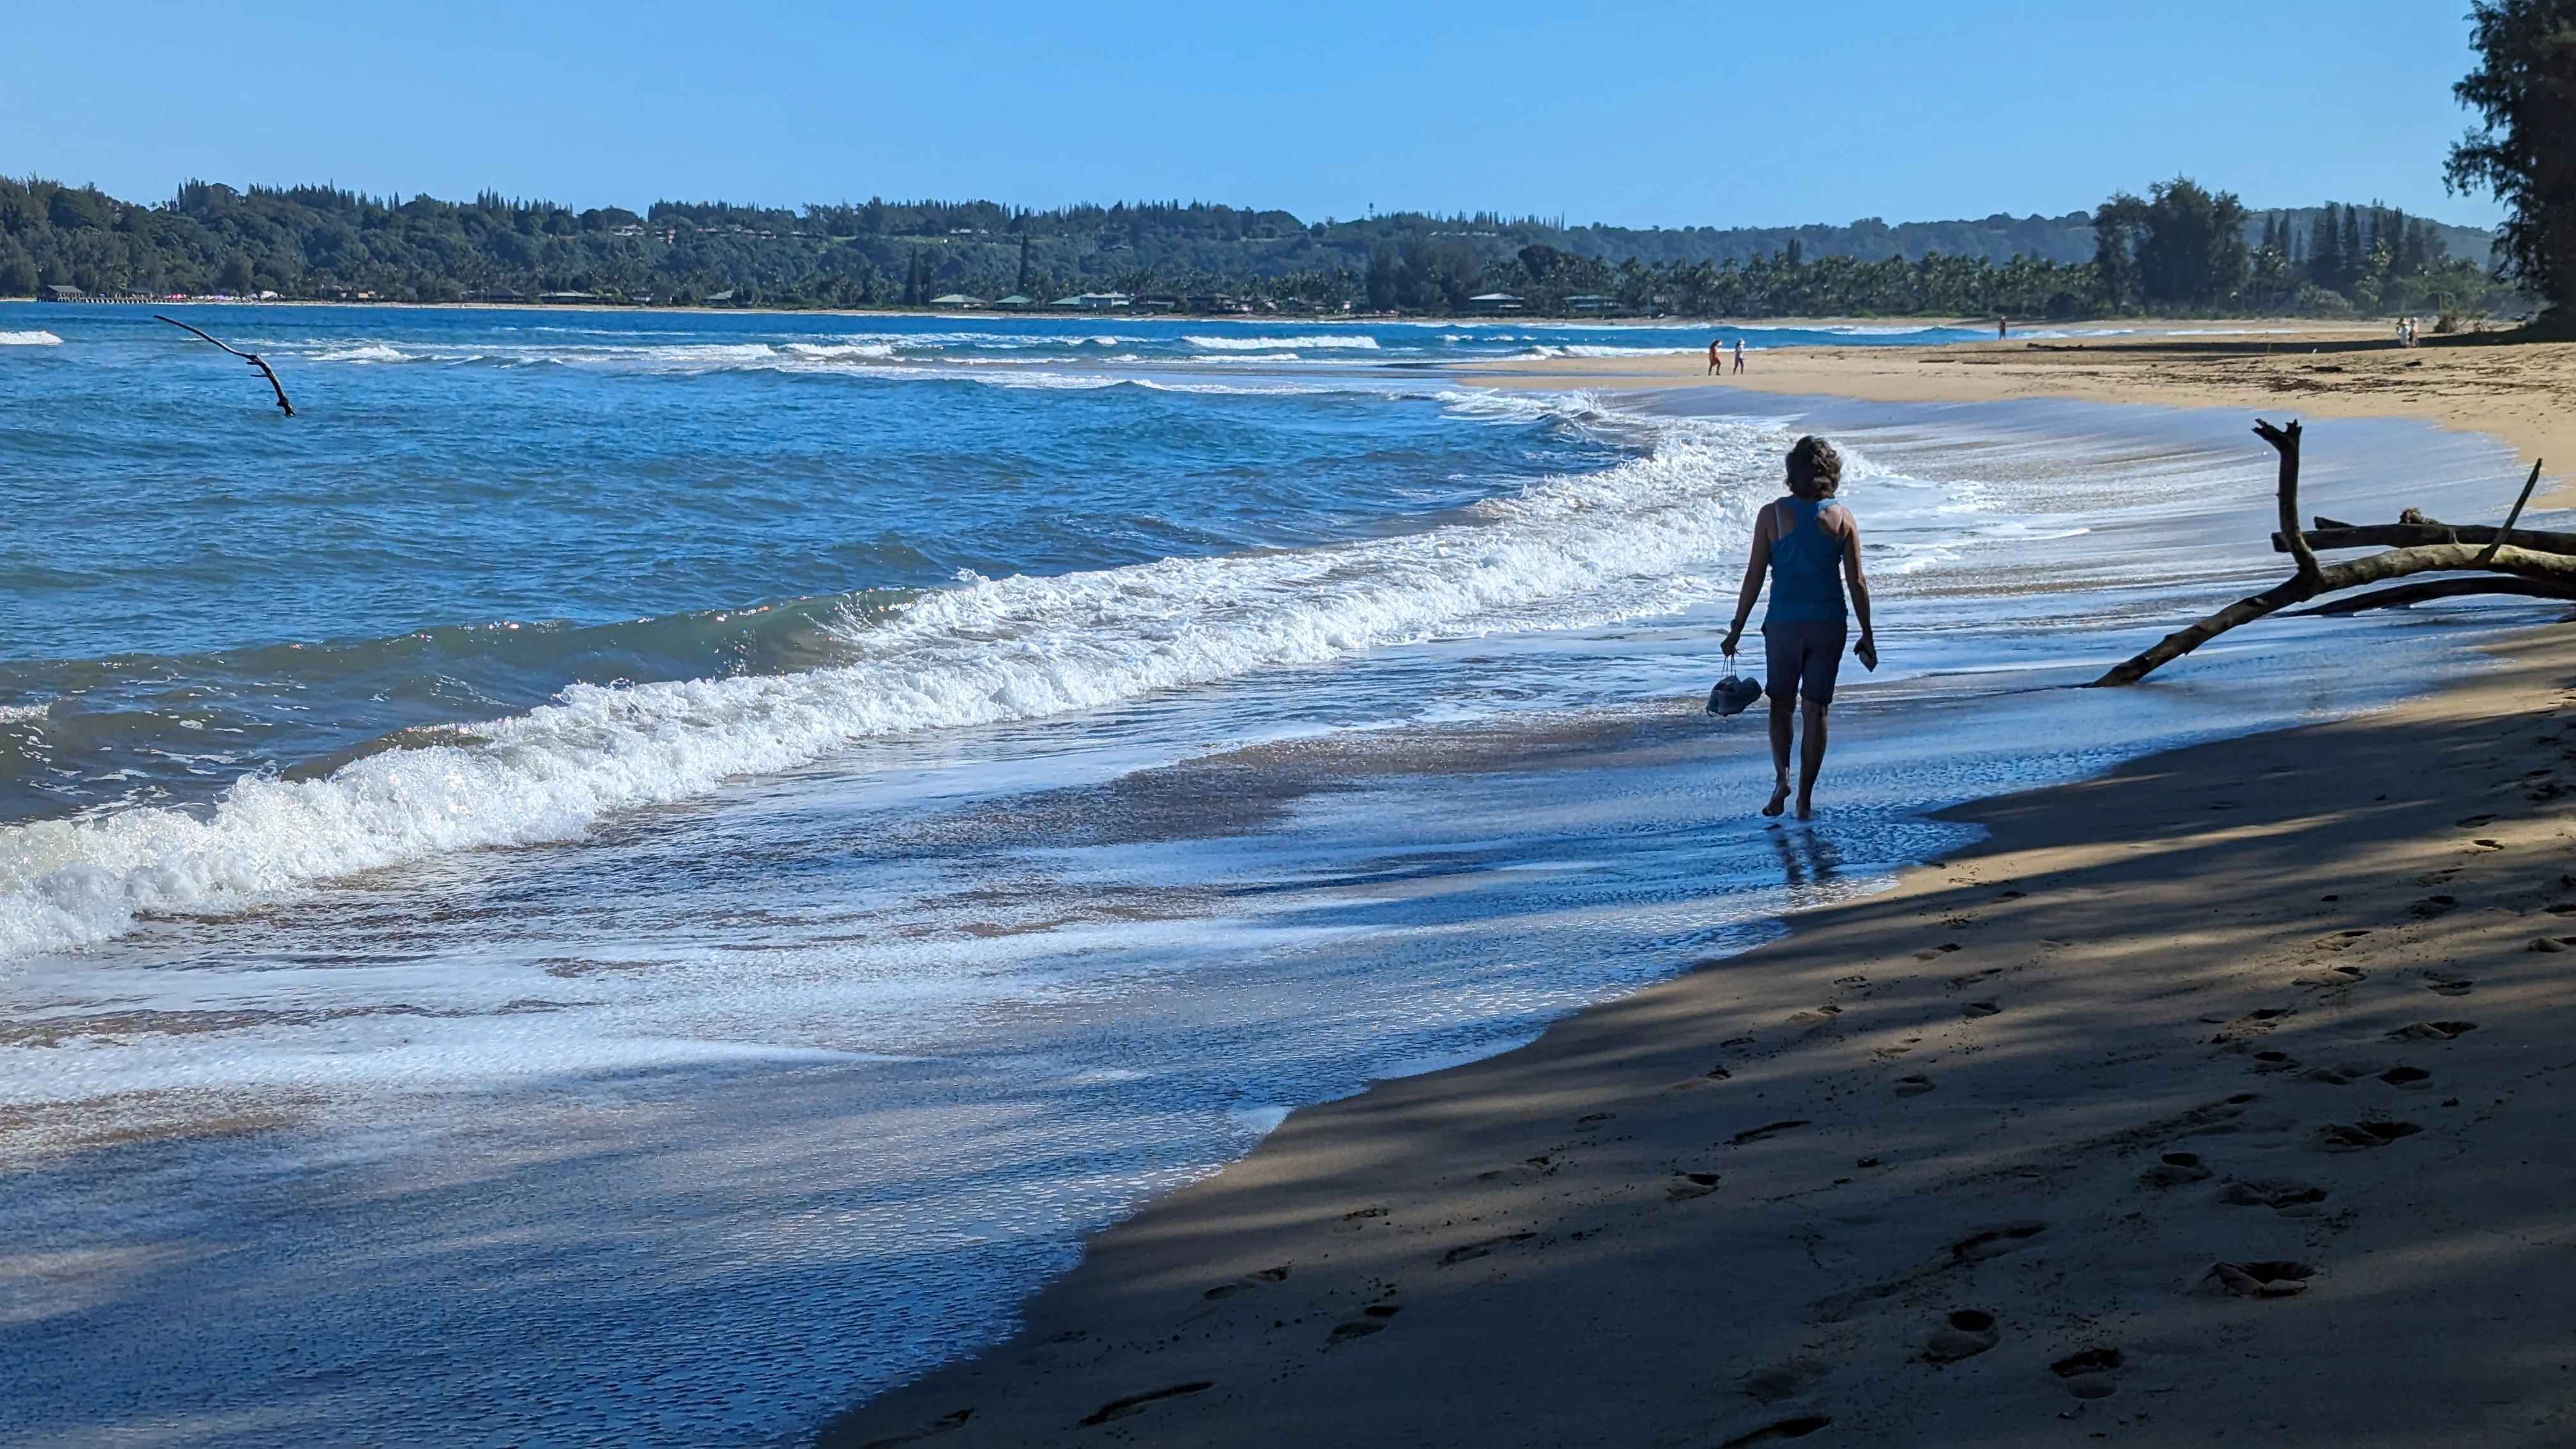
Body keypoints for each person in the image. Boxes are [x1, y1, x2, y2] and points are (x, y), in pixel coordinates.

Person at [1721, 436, 1877, 819]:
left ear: (1792, 474)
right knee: (1816, 710)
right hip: (1829, 624)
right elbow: (1856, 582)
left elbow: (1754, 575)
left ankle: (1782, 779)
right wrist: (1867, 634)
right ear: (1830, 474)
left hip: (1784, 626)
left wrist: (1736, 629)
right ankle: (1805, 800)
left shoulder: (1772, 515)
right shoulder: (1843, 518)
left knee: (1781, 705)